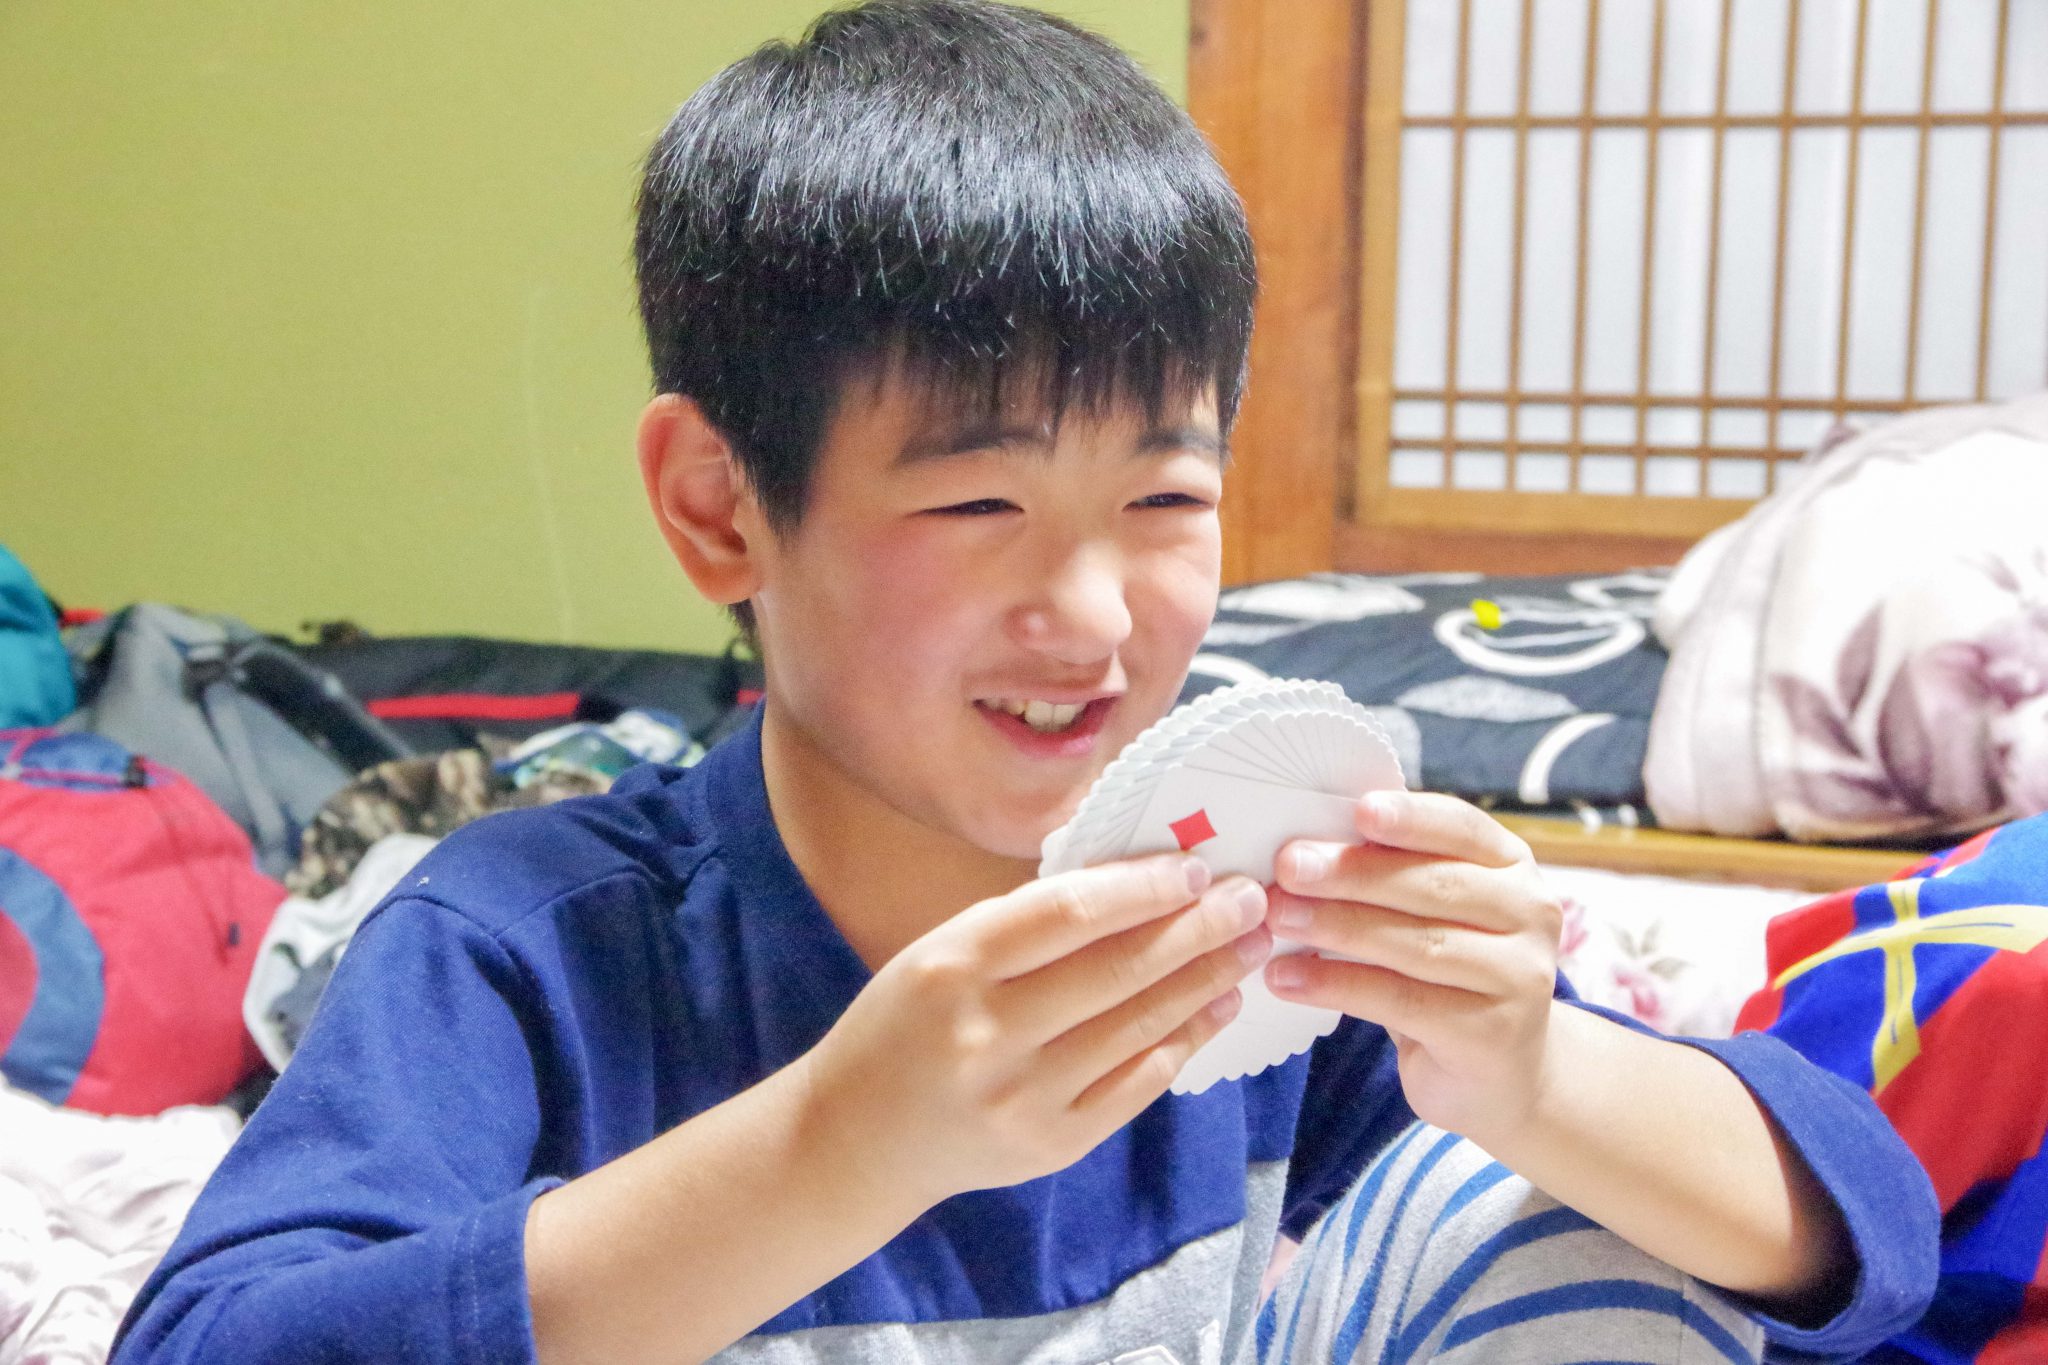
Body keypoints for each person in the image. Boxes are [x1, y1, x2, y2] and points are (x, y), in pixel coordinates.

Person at [112, 3, 1938, 1361]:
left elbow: (1866, 1242)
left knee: (1573, 1210)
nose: (1090, 612)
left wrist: (1530, 1062)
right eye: (978, 502)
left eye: (1165, 501)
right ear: (719, 505)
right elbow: (215, 1345)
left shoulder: (1262, 920)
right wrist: (839, 1144)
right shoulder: (529, 947)